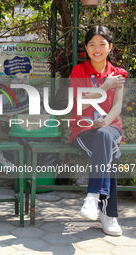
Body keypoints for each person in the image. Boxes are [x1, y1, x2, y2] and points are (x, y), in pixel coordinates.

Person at [70, 25, 127, 236]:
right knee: (109, 154)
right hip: (83, 129)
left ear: (110, 47)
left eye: (102, 44)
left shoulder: (118, 74)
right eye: (92, 44)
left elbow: (117, 107)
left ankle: (92, 196)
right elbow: (80, 104)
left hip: (110, 127)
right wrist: (105, 86)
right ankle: (109, 215)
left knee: (105, 137)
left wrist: (106, 121)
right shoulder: (79, 71)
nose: (97, 48)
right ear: (86, 48)